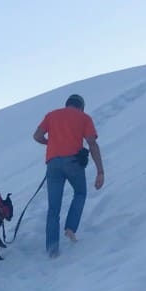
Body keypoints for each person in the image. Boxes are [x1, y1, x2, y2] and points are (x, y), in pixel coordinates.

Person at [33, 93, 105, 257]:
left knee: (53, 208)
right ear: (81, 107)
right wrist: (100, 171)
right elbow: (92, 144)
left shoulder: (51, 115)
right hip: (73, 162)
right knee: (80, 193)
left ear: (67, 104)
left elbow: (37, 136)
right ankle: (70, 228)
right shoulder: (84, 118)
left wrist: (49, 143)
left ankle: (52, 250)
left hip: (53, 164)